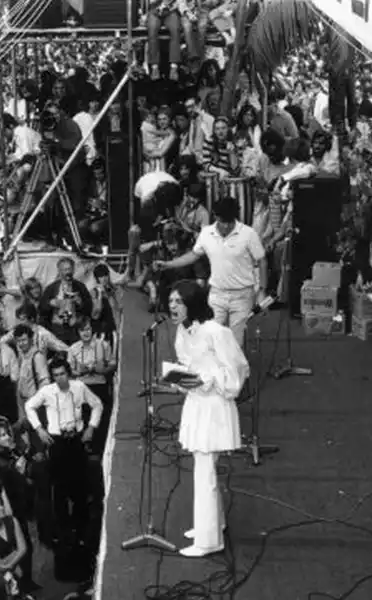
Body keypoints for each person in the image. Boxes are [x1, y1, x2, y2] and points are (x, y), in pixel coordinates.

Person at [166, 280, 248, 557]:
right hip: (197, 404)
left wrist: (208, 380)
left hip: (214, 407)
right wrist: (180, 379)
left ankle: (208, 541)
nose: (172, 306)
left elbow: (238, 370)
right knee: (204, 469)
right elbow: (189, 366)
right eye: (171, 301)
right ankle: (212, 525)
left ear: (192, 302)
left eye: (178, 301)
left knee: (205, 474)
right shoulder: (182, 332)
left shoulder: (216, 331)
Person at [154, 195, 267, 344]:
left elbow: (262, 260)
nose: (226, 226)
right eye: (222, 221)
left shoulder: (248, 234)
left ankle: (233, 367)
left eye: (229, 222)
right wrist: (168, 264)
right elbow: (193, 255)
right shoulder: (206, 233)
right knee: (211, 338)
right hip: (217, 294)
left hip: (242, 295)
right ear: (215, 217)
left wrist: (262, 290)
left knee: (235, 343)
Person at [23, 358, 102, 541]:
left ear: (69, 373)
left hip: (76, 440)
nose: (60, 379)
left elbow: (97, 404)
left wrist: (91, 427)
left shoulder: (79, 387)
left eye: (62, 374)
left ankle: (82, 530)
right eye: (56, 375)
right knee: (59, 488)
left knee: (80, 485)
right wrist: (39, 429)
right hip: (57, 442)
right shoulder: (47, 392)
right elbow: (29, 406)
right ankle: (63, 532)